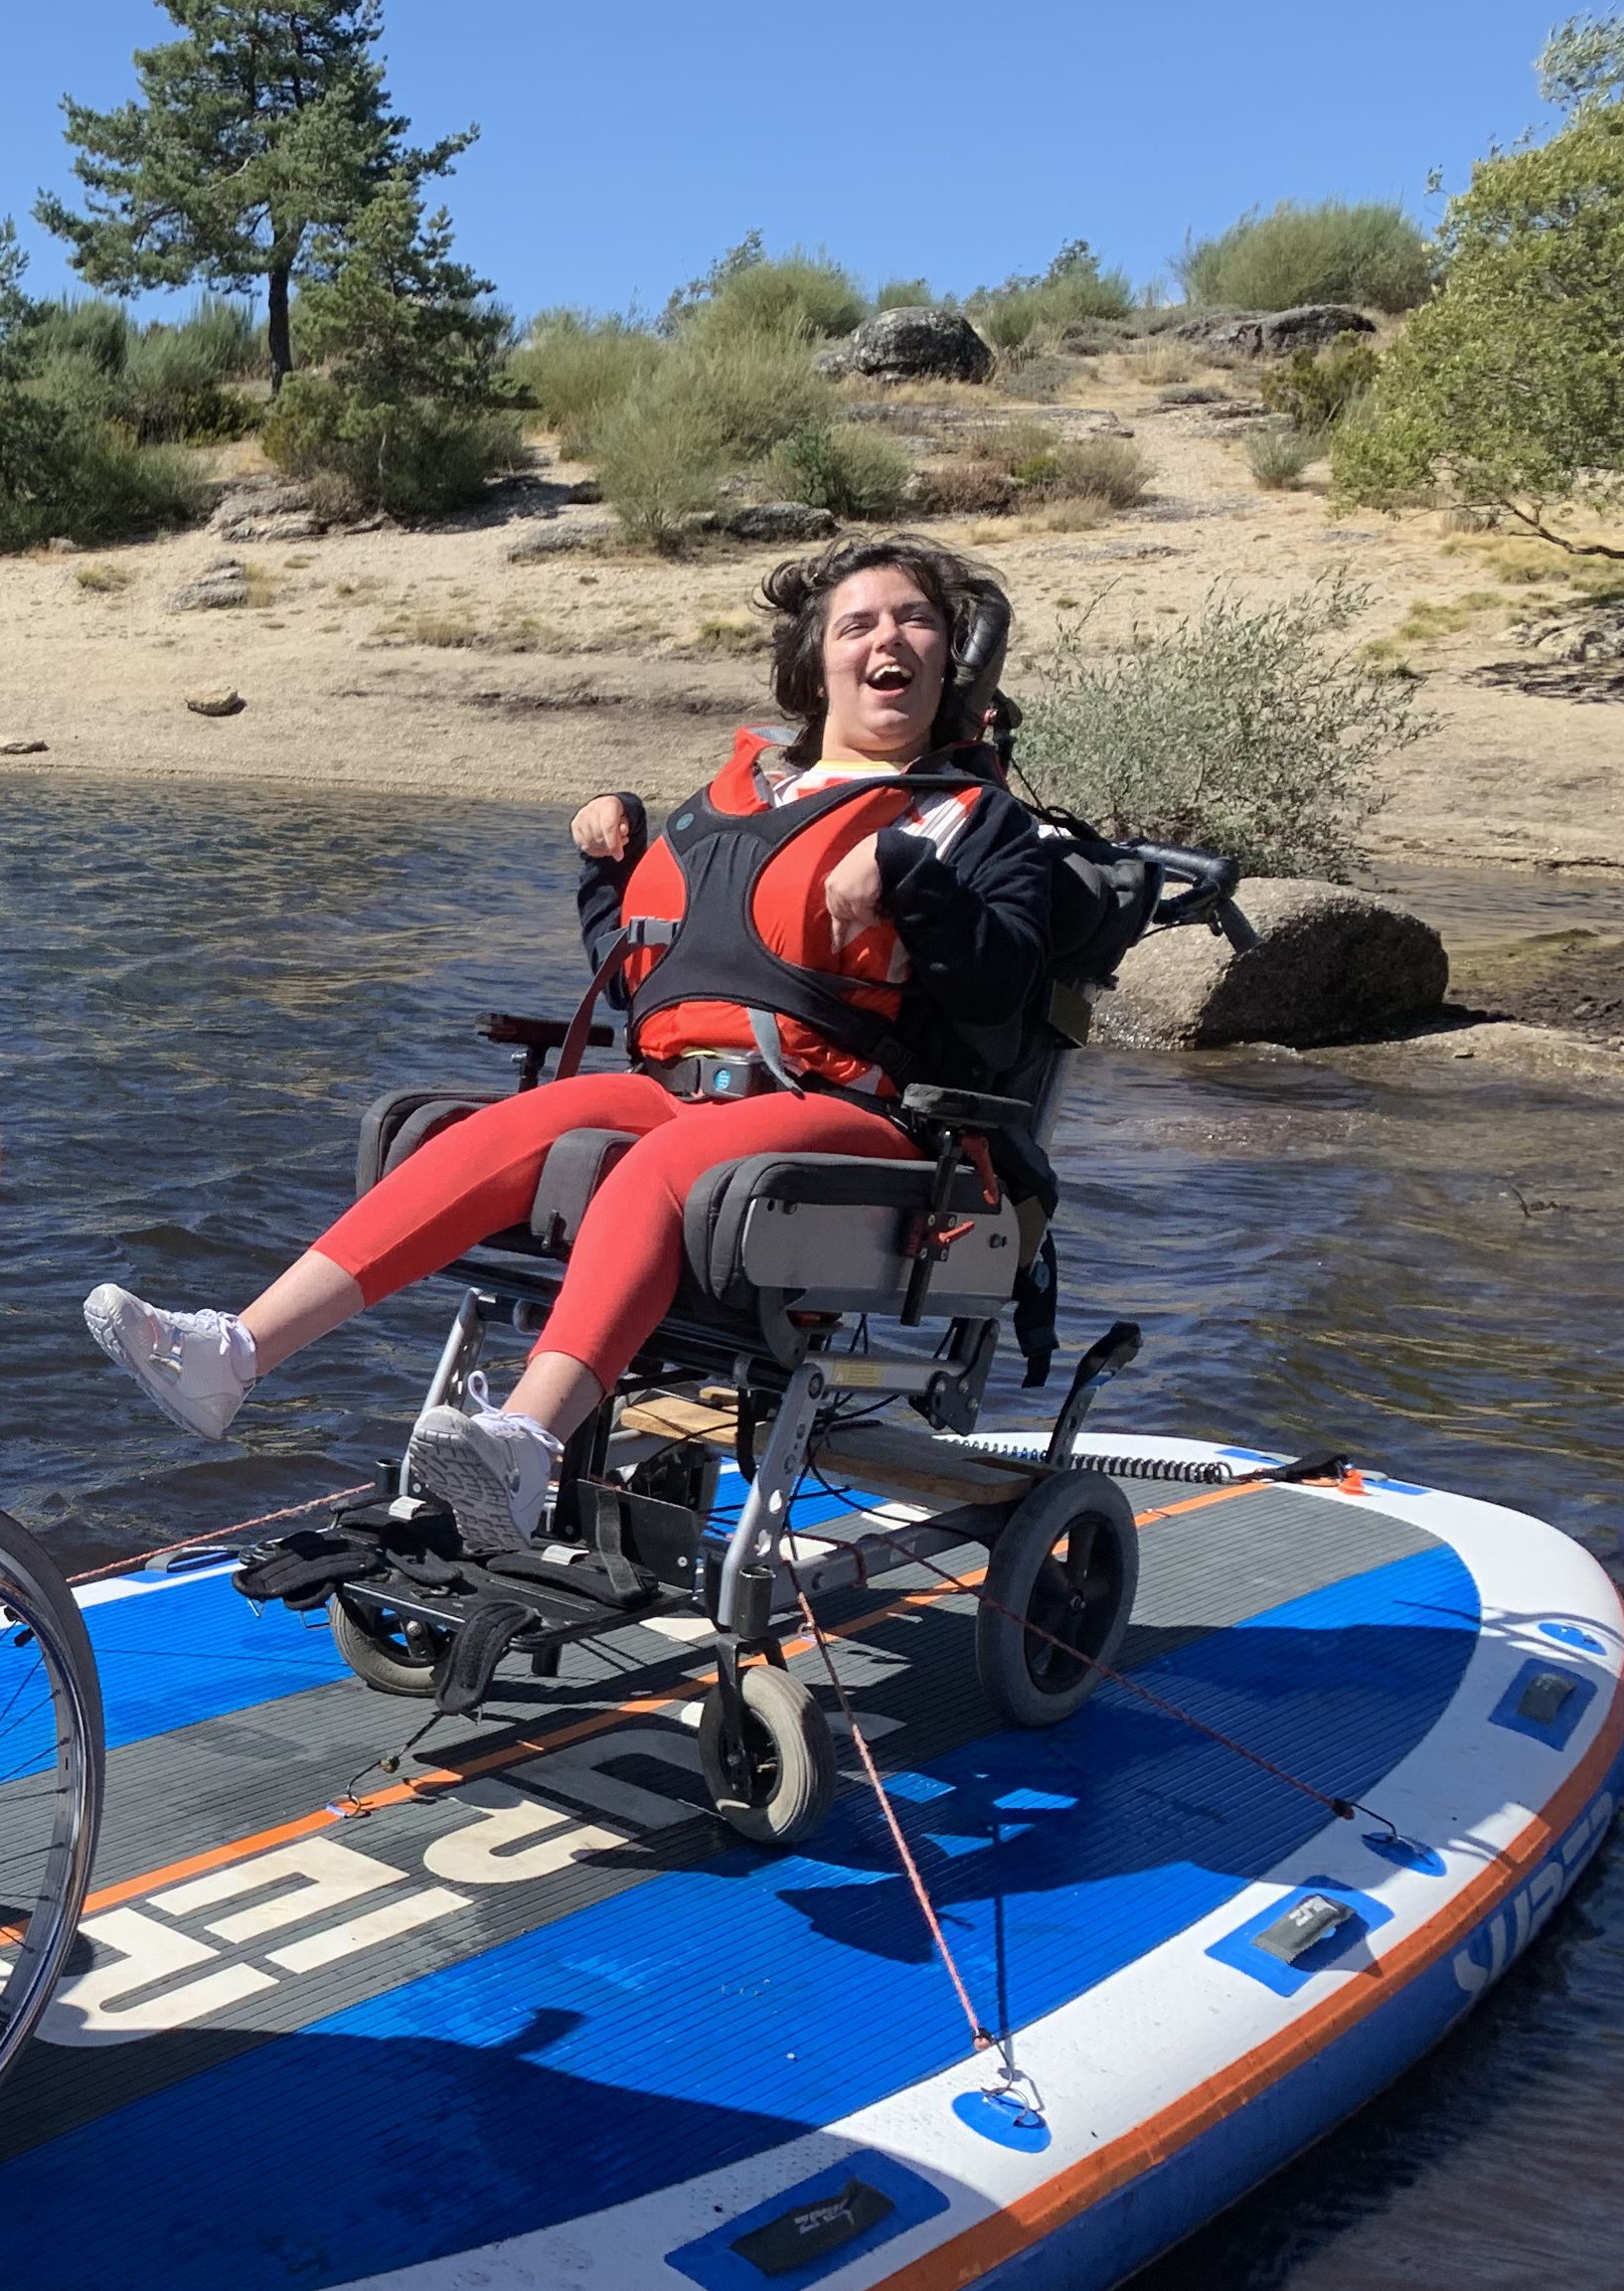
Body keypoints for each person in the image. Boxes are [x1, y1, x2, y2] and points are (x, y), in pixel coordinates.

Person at [83, 536, 1056, 1551]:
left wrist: (917, 885)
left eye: (914, 623)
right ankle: (230, 1354)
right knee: (515, 1124)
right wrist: (608, 866)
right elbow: (649, 978)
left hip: (859, 1117)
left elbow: (1000, 994)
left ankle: (523, 1446)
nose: (886, 641)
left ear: (949, 663)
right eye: (856, 624)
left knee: (663, 1162)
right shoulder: (741, 800)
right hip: (690, 1087)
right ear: (816, 662)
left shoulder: (971, 821)